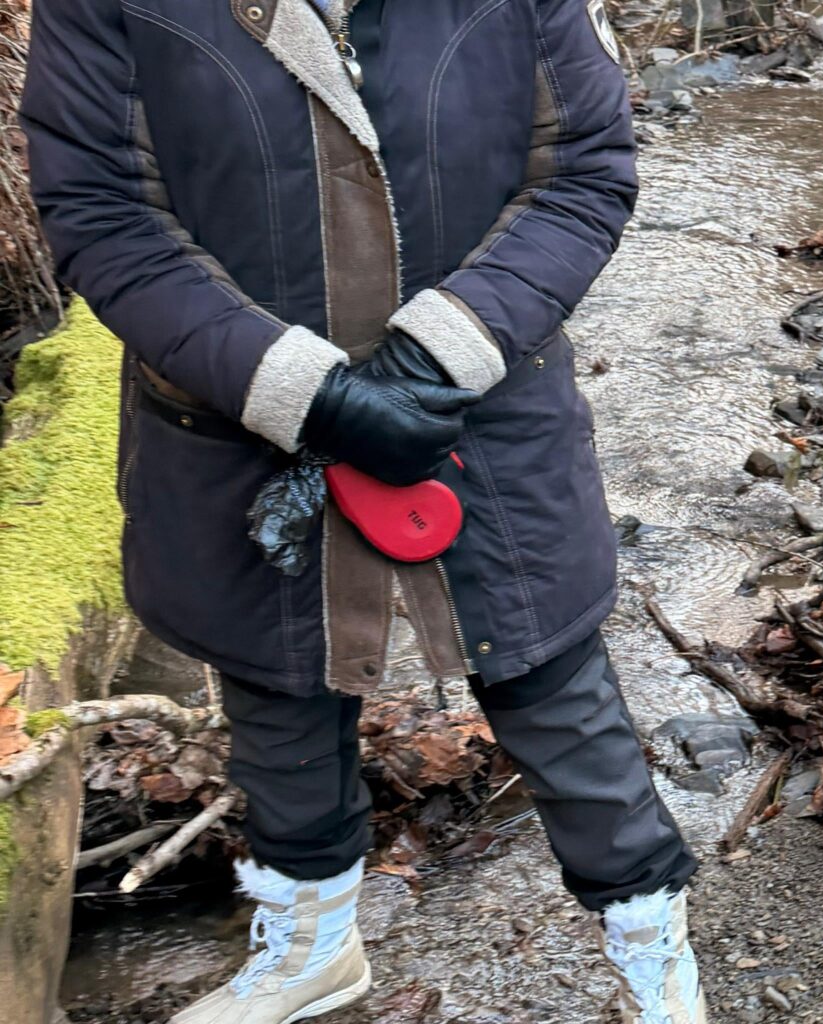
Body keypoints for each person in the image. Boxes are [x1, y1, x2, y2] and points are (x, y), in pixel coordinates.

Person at [21, 1, 706, 1021]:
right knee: (276, 680)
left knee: (550, 679)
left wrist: (439, 354)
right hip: (233, 422)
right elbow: (101, 212)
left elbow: (584, 169)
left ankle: (657, 964)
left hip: (476, 411)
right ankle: (310, 950)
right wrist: (306, 392)